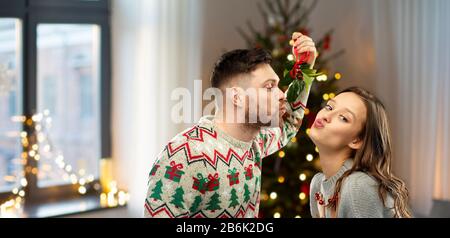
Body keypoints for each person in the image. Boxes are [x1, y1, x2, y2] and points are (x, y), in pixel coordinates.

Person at [144, 32, 318, 218]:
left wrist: (304, 68)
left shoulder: (255, 141)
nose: (281, 95)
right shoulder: (184, 155)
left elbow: (290, 121)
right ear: (237, 97)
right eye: (269, 87)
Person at [309, 87, 412, 218]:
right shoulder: (318, 185)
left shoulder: (357, 186)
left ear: (356, 140)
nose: (326, 116)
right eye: (329, 107)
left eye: (343, 118)